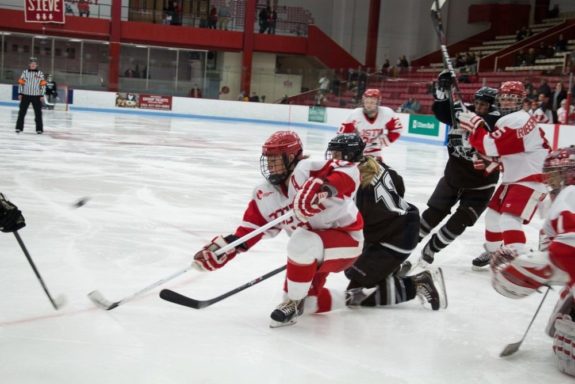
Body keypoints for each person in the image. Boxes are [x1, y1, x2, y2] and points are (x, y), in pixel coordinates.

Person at [192, 131, 364, 328]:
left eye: (276, 160)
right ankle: (354, 297)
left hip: (347, 240)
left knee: (301, 241)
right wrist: (223, 249)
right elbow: (248, 232)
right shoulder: (264, 193)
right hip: (313, 252)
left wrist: (322, 189)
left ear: (291, 158)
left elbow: (350, 172)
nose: (271, 166)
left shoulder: (309, 169)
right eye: (268, 160)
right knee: (308, 302)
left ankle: (292, 303)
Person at [325, 134, 447, 311]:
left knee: (357, 295)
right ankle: (390, 270)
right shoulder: (371, 163)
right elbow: (398, 182)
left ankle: (418, 283)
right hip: (402, 226)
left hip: (395, 239)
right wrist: (388, 212)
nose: (332, 159)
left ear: (349, 156)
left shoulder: (357, 185)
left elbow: (355, 224)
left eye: (337, 154)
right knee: (352, 269)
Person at [489, 145, 575, 378]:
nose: (552, 181)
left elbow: (569, 251)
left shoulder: (570, 195)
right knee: (563, 314)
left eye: (559, 174)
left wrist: (537, 266)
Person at [415, 71, 501, 269]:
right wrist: (443, 91)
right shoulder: (465, 112)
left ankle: (432, 249)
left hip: (480, 187)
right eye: (477, 103)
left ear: (493, 107)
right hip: (453, 178)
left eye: (484, 105)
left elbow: (488, 125)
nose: (479, 108)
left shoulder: (498, 122)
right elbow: (442, 112)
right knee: (433, 213)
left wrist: (467, 116)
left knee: (460, 222)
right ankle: (409, 243)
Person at [462, 81, 550, 269]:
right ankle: (495, 253)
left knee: (509, 219)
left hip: (530, 178)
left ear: (521, 101)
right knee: (492, 217)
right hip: (515, 177)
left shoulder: (518, 119)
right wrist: (491, 163)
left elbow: (489, 145)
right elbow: (508, 150)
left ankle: (517, 261)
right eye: (504, 99)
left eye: (512, 99)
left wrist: (475, 126)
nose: (507, 103)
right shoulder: (513, 120)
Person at [338, 88, 403, 160]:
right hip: (356, 150)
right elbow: (342, 134)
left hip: (374, 151)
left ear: (378, 103)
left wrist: (384, 141)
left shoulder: (387, 113)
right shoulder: (355, 115)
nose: (368, 105)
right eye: (367, 102)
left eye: (372, 102)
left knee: (377, 169)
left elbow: (397, 130)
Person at [15, 57, 46, 134]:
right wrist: (20, 93)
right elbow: (21, 83)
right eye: (31, 64)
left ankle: (39, 129)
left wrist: (42, 95)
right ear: (29, 65)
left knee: (38, 113)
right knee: (21, 112)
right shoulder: (25, 72)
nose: (33, 65)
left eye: (34, 64)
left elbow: (43, 84)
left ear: (36, 65)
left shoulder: (40, 73)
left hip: (36, 96)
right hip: (25, 95)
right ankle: (19, 128)